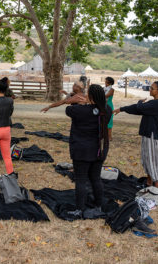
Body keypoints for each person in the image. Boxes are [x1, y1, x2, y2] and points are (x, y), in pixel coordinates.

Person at [65, 84, 112, 218]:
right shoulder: (107, 110)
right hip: (99, 149)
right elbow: (95, 112)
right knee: (95, 178)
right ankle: (98, 206)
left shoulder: (79, 110)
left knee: (80, 180)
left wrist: (74, 101)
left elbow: (68, 110)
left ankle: (79, 209)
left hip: (82, 150)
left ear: (90, 96)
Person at [113, 81, 158, 188]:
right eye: (150, 88)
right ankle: (149, 183)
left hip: (153, 136)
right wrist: (122, 109)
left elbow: (140, 107)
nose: (150, 90)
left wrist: (139, 103)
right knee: (147, 160)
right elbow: (137, 109)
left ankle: (156, 189)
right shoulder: (152, 103)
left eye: (152, 88)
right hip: (147, 134)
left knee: (153, 162)